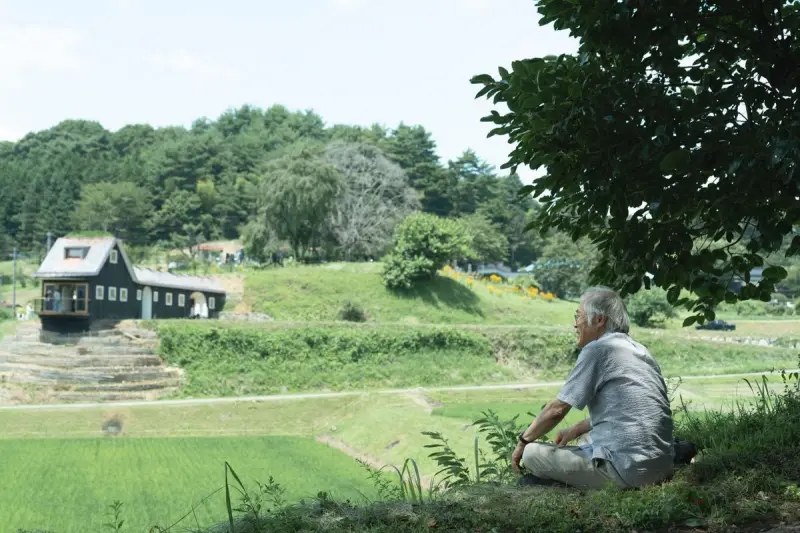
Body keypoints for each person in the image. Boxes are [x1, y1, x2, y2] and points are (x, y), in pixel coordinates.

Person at [512, 286, 675, 490]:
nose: (574, 324)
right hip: (662, 466)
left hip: (628, 473)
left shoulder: (599, 350)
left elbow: (557, 410)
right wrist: (577, 428)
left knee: (532, 454)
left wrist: (523, 441)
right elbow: (629, 411)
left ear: (599, 320)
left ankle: (564, 487)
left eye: (578, 316)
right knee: (585, 439)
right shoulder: (641, 351)